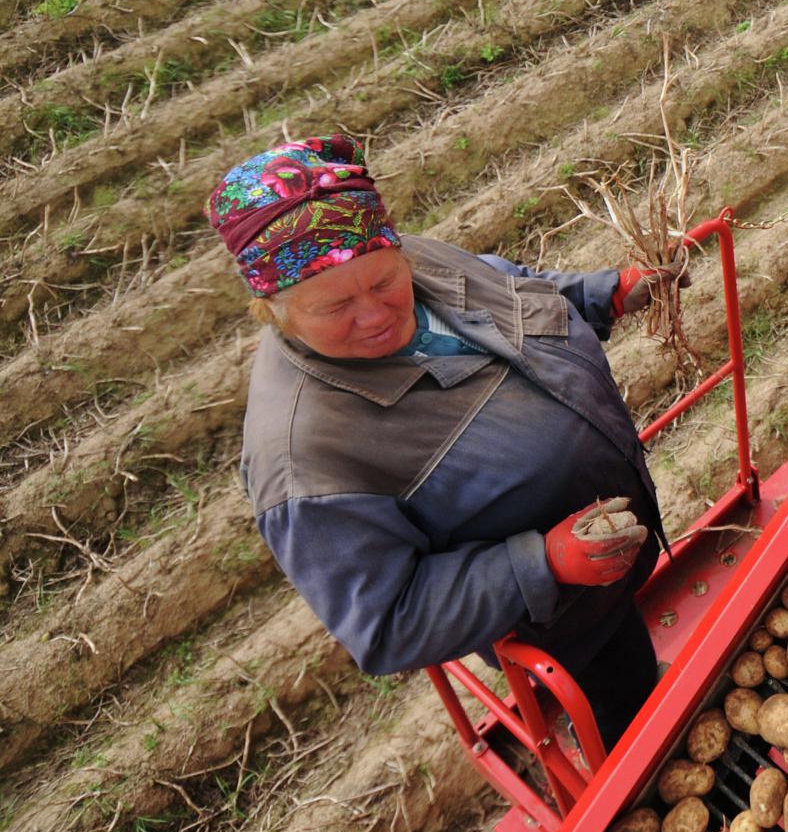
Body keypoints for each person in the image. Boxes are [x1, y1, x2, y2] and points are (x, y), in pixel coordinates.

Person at [208, 133, 680, 744]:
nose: (375, 314)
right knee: (622, 697)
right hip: (560, 619)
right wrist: (541, 565)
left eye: (383, 282)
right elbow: (386, 621)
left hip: (611, 560)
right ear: (272, 310)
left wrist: (601, 294)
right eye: (335, 308)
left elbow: (516, 291)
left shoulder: (419, 261)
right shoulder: (302, 459)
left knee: (628, 640)